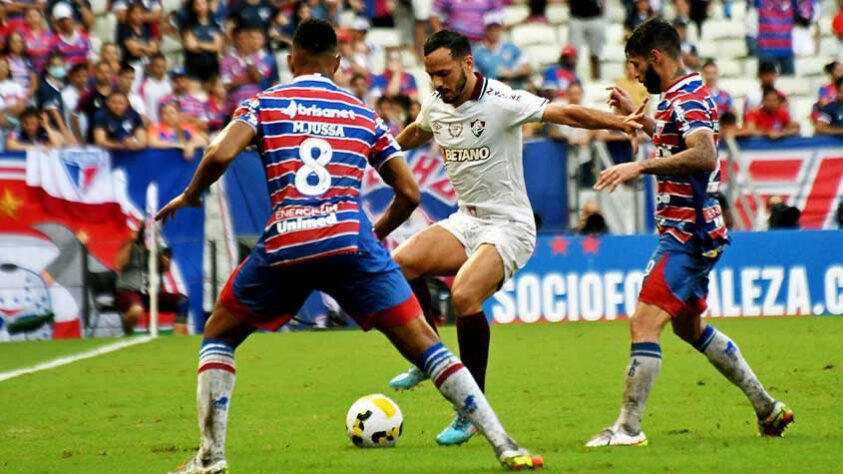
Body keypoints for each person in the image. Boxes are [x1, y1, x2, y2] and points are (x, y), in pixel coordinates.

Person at [156, 19, 543, 473]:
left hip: (287, 241)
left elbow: (219, 154)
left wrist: (191, 194)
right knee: (426, 344)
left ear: (290, 60)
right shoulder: (362, 113)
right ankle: (505, 444)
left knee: (220, 334)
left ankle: (210, 457)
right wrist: (374, 235)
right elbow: (411, 194)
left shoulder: (262, 103)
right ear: (338, 64)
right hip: (349, 241)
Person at [385, 29, 644, 446]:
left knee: (466, 296)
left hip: (510, 226)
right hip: (467, 221)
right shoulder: (436, 101)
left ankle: (471, 410)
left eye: (444, 73)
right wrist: (384, 153)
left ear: (468, 64)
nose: (437, 83)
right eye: (430, 75)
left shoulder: (502, 101)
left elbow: (565, 114)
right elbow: (419, 129)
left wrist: (618, 122)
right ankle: (426, 352)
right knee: (402, 263)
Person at [585, 18, 793, 448]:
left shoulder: (689, 98)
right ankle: (767, 407)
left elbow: (702, 153)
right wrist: (636, 118)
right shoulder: (682, 96)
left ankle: (628, 428)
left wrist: (639, 165)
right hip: (695, 230)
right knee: (689, 328)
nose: (636, 75)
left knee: (644, 323)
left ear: (657, 58)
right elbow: (675, 141)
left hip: (687, 232)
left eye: (638, 66)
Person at [115, 228, 190, 336]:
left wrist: (158, 252)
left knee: (182, 302)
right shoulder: (131, 247)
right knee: (136, 309)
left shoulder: (160, 248)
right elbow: (119, 263)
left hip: (153, 294)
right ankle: (127, 333)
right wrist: (132, 241)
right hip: (130, 291)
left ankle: (177, 338)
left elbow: (166, 266)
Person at [473, 14, 530, 89]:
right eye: (490, 28)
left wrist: (511, 74)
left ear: (501, 29)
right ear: (485, 29)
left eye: (497, 28)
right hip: (490, 90)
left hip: (513, 88)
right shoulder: (477, 51)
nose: (493, 31)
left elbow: (527, 69)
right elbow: (473, 76)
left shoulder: (511, 47)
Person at [75, 61, 113, 143]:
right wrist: (79, 138)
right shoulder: (88, 95)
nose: (104, 75)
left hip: (115, 141)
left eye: (107, 72)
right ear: (95, 74)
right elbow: (74, 117)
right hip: (93, 141)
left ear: (111, 74)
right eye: (101, 72)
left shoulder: (117, 95)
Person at [568, 0, 605, 80]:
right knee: (573, 52)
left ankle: (596, 79)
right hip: (576, 17)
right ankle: (571, 79)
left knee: (596, 53)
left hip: (594, 16)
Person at [53, 1, 92, 67]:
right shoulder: (54, 42)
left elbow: (89, 62)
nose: (64, 23)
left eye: (66, 19)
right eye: (61, 21)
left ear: (71, 18)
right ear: (58, 24)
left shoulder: (85, 38)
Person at [139, 54, 172, 123]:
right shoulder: (144, 86)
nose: (160, 69)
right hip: (151, 124)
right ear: (151, 67)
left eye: (163, 67)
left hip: (168, 125)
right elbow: (141, 106)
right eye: (157, 66)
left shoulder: (171, 85)